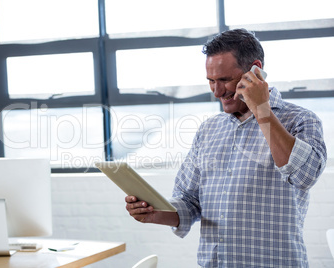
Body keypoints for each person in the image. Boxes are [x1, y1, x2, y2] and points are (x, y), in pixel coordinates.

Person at [125, 28, 327, 267]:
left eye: (224, 80)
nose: (217, 92)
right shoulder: (208, 130)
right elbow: (189, 201)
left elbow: (305, 175)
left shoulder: (301, 120)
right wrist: (155, 213)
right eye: (211, 81)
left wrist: (261, 109)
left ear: (255, 70)